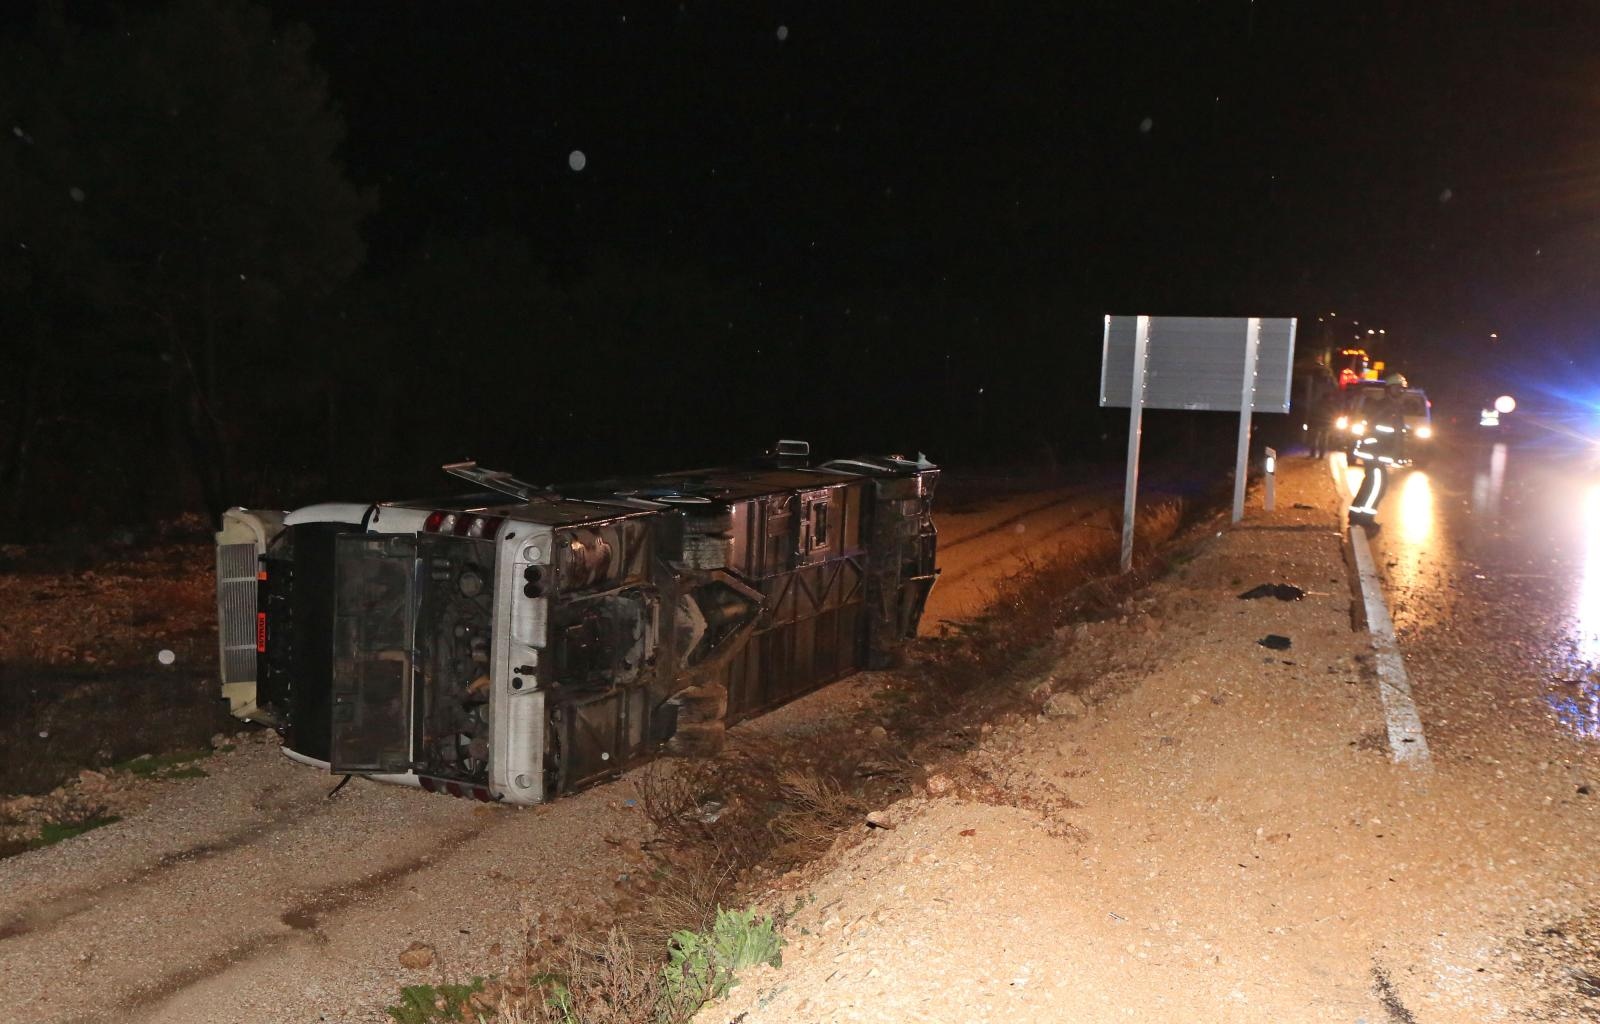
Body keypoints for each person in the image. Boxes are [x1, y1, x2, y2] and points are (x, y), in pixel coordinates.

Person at [1348, 376, 1408, 528]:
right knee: (1377, 487)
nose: (1399, 391)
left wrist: (1399, 455)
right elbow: (1377, 431)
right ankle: (1365, 520)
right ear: (1389, 389)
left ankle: (1355, 515)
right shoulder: (1385, 407)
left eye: (1401, 389)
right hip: (1375, 454)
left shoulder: (1394, 407)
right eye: (1396, 388)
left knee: (1370, 484)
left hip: (1379, 454)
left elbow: (1396, 435)